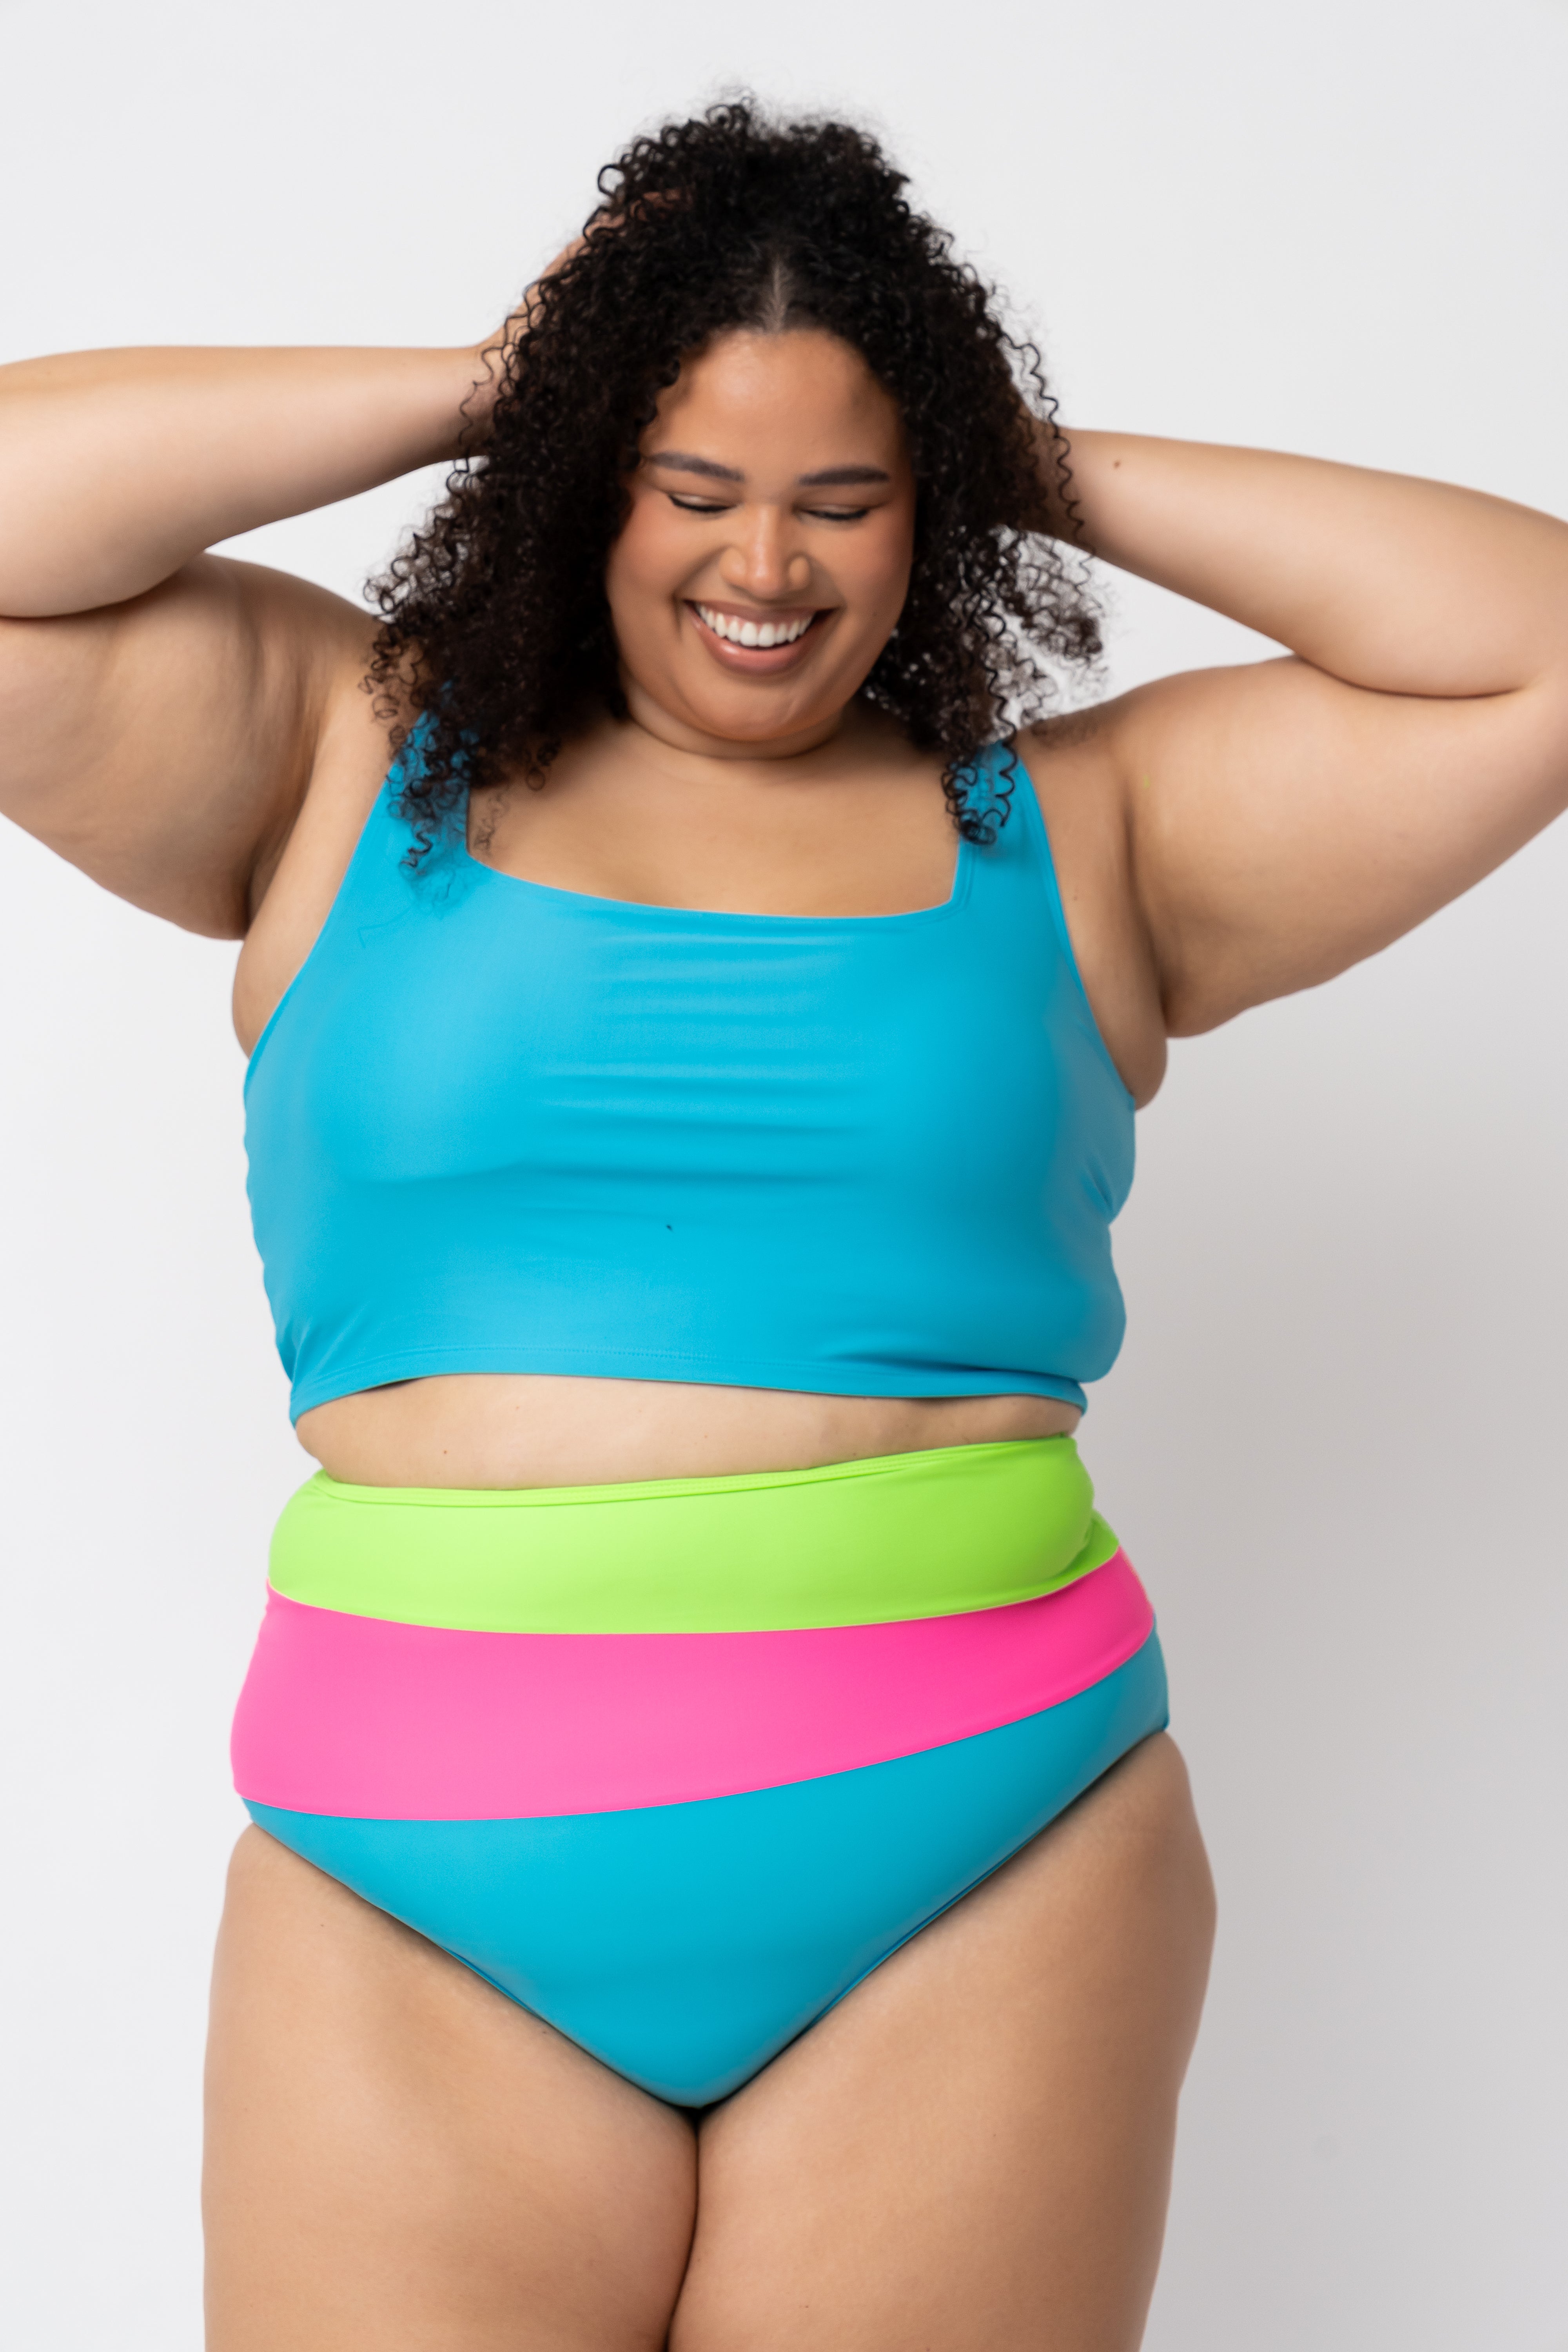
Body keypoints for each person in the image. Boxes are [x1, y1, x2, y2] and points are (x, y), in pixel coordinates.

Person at [1, 96, 1564, 2352]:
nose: (771, 563)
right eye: (693, 484)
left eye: (846, 498)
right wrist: (509, 378)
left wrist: (1000, 439)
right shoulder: (337, 757)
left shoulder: (1091, 840)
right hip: (412, 1891)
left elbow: (1536, 646)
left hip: (979, 1875)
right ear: (588, 480)